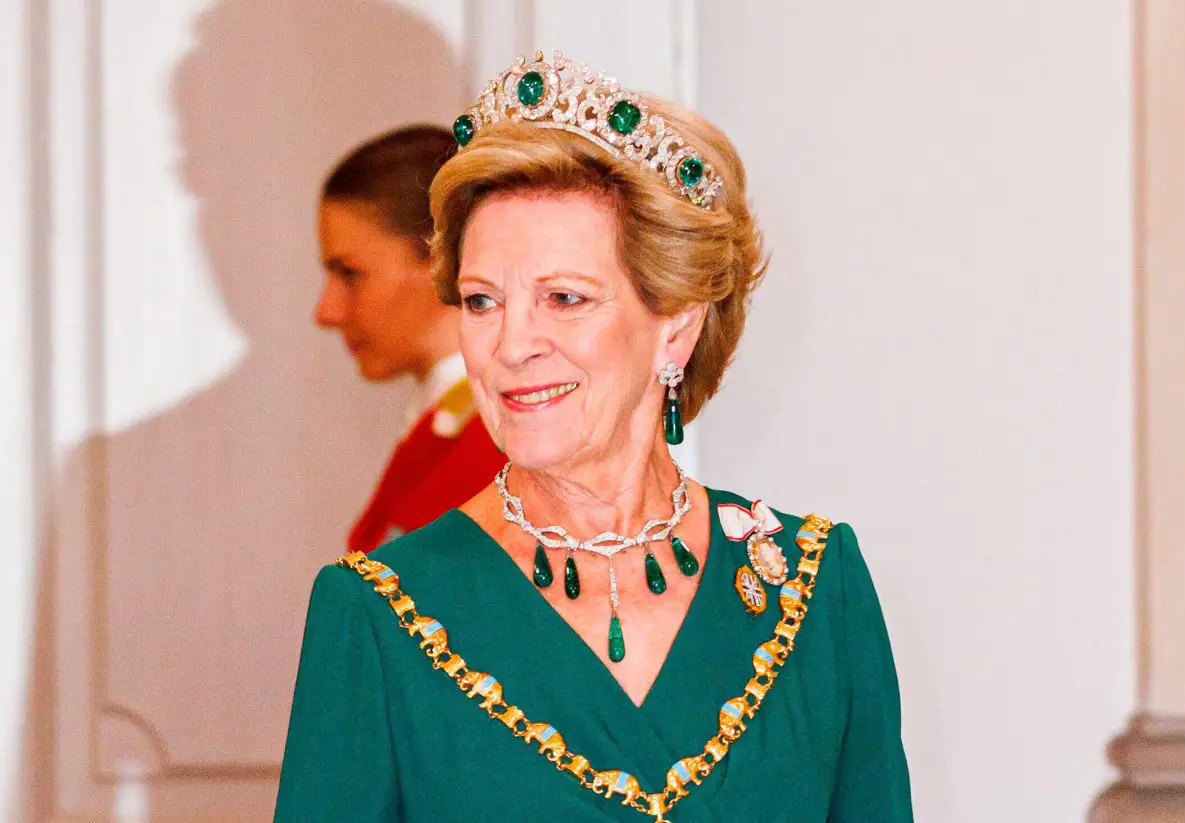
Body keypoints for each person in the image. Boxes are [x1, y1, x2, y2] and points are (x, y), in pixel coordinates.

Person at [277, 51, 912, 822]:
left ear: (676, 326)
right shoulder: (377, 613)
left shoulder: (814, 587)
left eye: (565, 298)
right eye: (482, 302)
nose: (511, 345)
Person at [315, 125, 507, 551]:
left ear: (444, 258)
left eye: (349, 274)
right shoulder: (446, 429)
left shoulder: (501, 451)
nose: (325, 312)